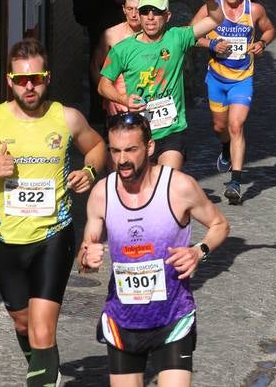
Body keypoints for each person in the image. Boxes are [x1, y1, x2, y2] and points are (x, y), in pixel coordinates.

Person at [0, 39, 106, 387]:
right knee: (23, 323)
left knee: (42, 329)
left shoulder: (66, 118)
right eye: (21, 80)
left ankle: (42, 376)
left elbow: (97, 146)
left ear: (47, 78)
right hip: (6, 239)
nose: (29, 86)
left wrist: (89, 172)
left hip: (53, 236)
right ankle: (46, 370)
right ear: (9, 81)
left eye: (37, 79)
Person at [79, 112, 230, 387]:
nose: (122, 159)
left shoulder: (179, 187)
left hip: (173, 318)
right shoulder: (102, 193)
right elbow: (86, 250)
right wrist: (87, 259)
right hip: (123, 320)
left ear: (149, 147)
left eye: (130, 150)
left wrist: (199, 251)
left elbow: (219, 224)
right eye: (115, 151)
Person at [98, 0, 224, 170]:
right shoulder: (122, 49)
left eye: (156, 12)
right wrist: (123, 99)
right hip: (137, 131)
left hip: (171, 131)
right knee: (136, 184)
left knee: (166, 180)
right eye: (145, 12)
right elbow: (103, 85)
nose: (150, 17)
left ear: (168, 16)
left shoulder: (177, 37)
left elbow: (216, 20)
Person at [192, 0, 275, 205]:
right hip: (216, 79)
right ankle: (225, 147)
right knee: (220, 127)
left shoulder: (254, 10)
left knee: (236, 125)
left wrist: (262, 43)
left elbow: (269, 29)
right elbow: (190, 35)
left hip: (242, 79)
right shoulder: (210, 8)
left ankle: (235, 182)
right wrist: (211, 45)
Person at [90, 0, 144, 115]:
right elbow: (94, 66)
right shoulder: (110, 35)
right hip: (119, 106)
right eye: (130, 9)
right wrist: (110, 95)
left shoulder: (152, 35)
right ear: (124, 9)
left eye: (138, 9)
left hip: (146, 102)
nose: (134, 14)